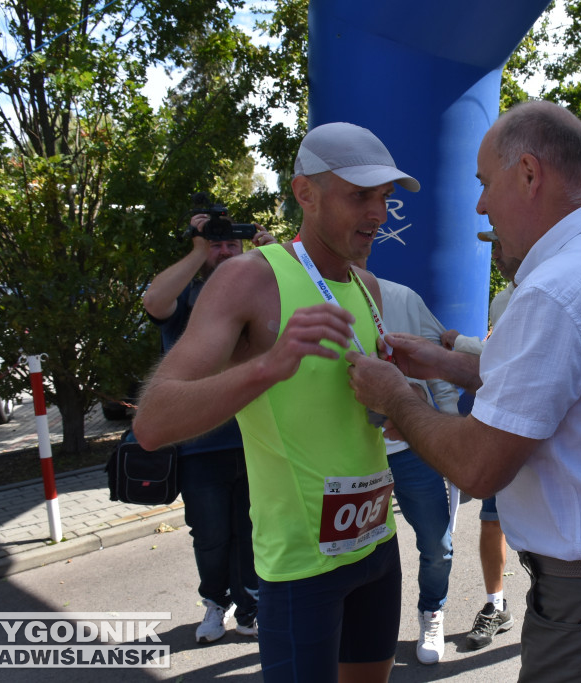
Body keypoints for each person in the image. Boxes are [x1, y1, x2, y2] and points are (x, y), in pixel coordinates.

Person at [345, 101, 581, 681]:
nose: (481, 204)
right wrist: (446, 364)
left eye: (487, 184)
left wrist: (396, 396)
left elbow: (478, 467)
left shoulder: (556, 289)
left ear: (530, 174)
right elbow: (557, 385)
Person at [133, 121, 421, 683]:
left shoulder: (368, 286)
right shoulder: (249, 279)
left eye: (384, 198)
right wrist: (268, 365)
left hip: (377, 545)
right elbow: (153, 421)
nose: (378, 214)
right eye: (359, 195)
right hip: (301, 568)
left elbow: (358, 427)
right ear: (304, 193)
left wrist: (393, 401)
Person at [141, 210, 274, 643]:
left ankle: (251, 607)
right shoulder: (190, 295)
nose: (224, 250)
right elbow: (154, 301)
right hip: (201, 444)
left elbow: (302, 303)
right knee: (212, 535)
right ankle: (215, 604)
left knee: (254, 530)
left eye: (231, 242)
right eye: (215, 244)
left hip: (258, 438)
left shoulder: (257, 294)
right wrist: (198, 250)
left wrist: (274, 254)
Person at [365, 264, 459, 666]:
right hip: (353, 456)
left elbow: (437, 365)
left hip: (410, 451)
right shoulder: (314, 298)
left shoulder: (401, 297)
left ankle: (432, 611)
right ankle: (361, 631)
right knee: (356, 552)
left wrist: (452, 434)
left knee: (438, 546)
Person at [440, 229, 519, 652]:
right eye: (494, 246)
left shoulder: (555, 288)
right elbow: (500, 355)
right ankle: (496, 604)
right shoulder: (504, 299)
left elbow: (508, 358)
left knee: (545, 525)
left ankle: (559, 602)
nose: (498, 252)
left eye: (503, 242)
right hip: (500, 425)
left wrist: (460, 344)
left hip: (542, 438)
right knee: (492, 521)